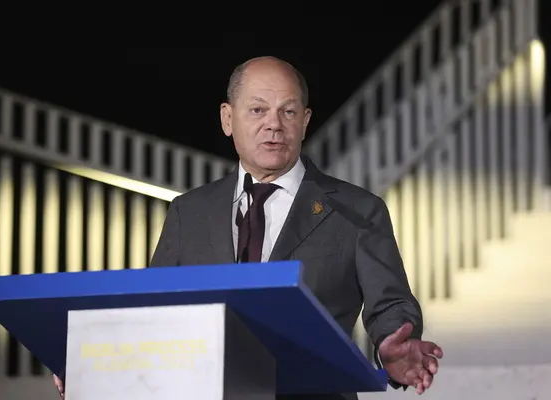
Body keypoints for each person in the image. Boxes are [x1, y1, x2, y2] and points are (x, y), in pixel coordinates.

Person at [54, 56, 442, 399]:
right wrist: (99, 366)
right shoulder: (189, 212)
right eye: (258, 110)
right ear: (228, 118)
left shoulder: (357, 210)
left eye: (288, 112)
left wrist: (395, 343)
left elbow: (391, 304)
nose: (274, 124)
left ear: (305, 122)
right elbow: (153, 314)